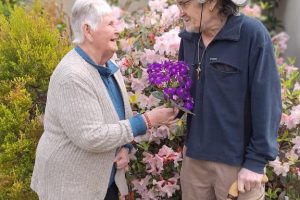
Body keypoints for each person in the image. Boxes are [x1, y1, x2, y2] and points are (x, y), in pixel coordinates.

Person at [30, 0, 178, 199]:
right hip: (71, 187)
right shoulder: (72, 76)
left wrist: (124, 147)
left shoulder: (109, 65)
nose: (117, 31)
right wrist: (147, 120)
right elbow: (91, 136)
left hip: (101, 183)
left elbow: (118, 117)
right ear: (88, 30)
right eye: (110, 24)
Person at [176, 0, 282, 199]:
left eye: (184, 4)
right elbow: (186, 91)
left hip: (238, 166)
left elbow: (268, 101)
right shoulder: (189, 37)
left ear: (211, 3)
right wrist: (173, 105)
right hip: (194, 162)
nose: (181, 13)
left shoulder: (251, 34)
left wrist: (256, 162)